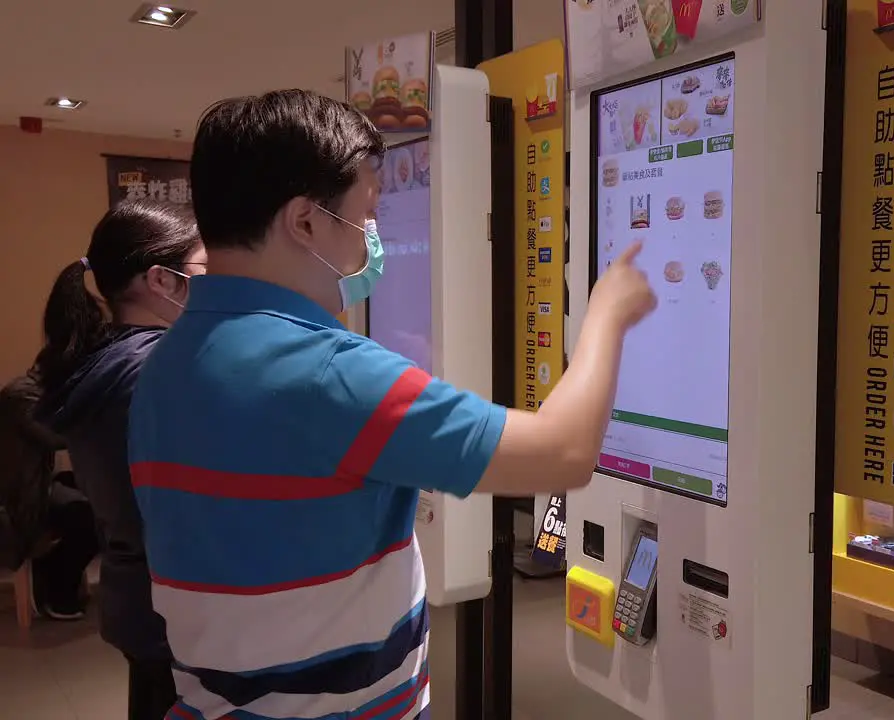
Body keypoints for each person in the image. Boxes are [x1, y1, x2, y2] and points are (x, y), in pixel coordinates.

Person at [128, 89, 656, 720]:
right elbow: (564, 453)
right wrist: (605, 313)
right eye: (366, 215)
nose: (372, 239)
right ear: (305, 222)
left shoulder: (166, 361)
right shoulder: (331, 374)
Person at [32, 199, 206, 720]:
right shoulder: (162, 370)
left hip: (137, 597)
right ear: (163, 280)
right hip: (175, 608)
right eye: (205, 269)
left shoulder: (107, 360)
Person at [0, 372, 97, 621]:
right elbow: (53, 438)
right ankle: (58, 590)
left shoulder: (28, 392)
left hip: (32, 486)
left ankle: (57, 573)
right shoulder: (21, 396)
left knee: (97, 494)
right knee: (91, 515)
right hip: (20, 497)